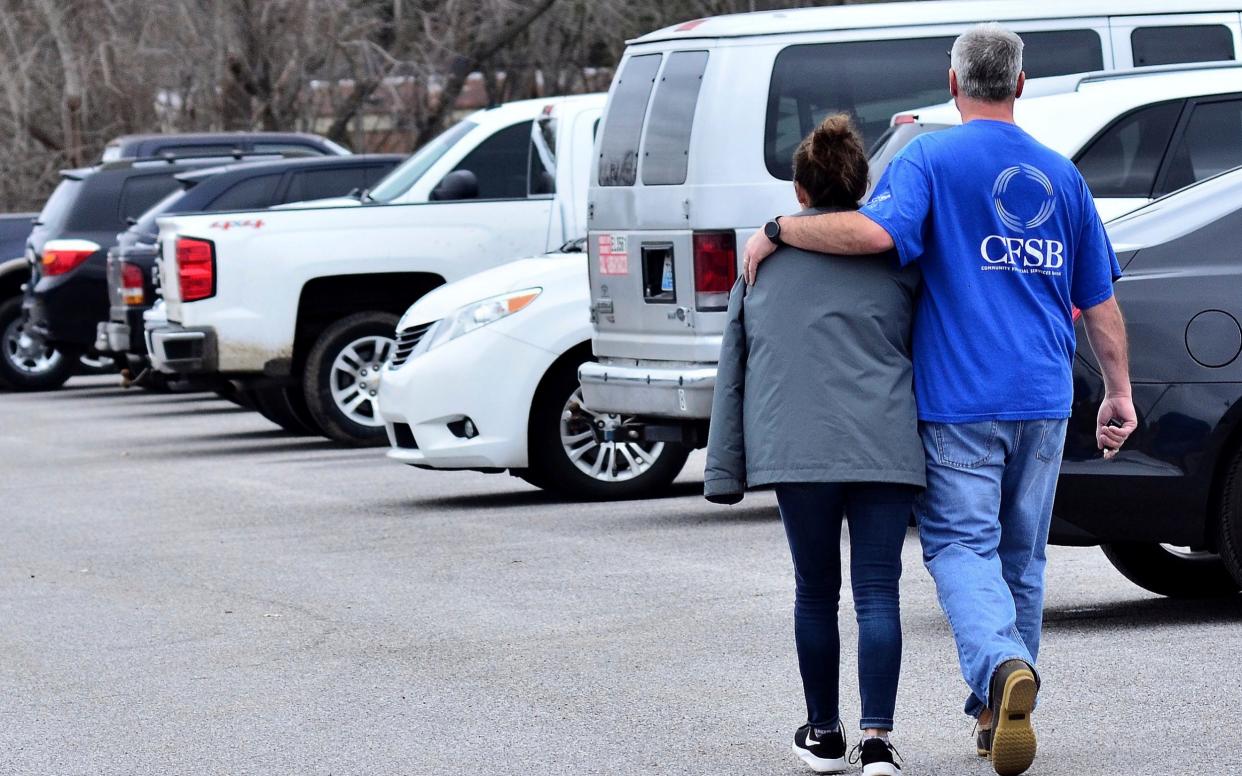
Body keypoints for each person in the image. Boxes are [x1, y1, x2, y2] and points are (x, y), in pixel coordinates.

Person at [740, 23, 1136, 776]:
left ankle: (997, 670)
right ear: (1021, 84)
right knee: (1021, 558)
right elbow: (1101, 301)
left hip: (961, 398)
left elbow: (873, 237)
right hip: (1045, 398)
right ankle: (996, 714)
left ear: (953, 83)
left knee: (960, 547)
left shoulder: (928, 156)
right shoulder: (1062, 175)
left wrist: (778, 228)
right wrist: (1118, 391)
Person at [705, 114, 922, 776]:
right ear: (861, 189)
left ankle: (824, 735)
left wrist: (723, 471)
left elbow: (733, 371)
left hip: (796, 450)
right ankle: (878, 742)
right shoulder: (898, 259)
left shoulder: (760, 266)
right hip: (885, 443)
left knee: (815, 591)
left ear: (800, 193)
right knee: (879, 592)